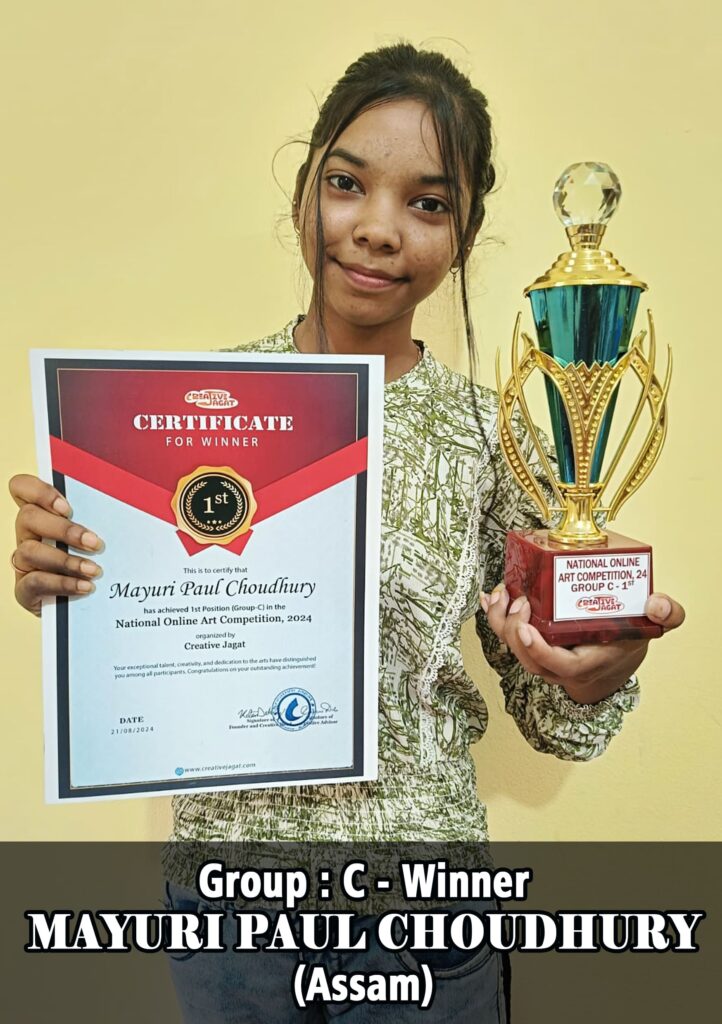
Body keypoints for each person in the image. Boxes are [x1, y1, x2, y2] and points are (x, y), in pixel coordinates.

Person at [9, 43, 684, 1022]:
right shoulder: (179, 413)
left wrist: (596, 669)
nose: (376, 228)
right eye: (345, 183)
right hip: (228, 917)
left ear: (464, 234)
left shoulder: (492, 435)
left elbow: (554, 714)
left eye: (427, 202)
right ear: (303, 191)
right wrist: (69, 579)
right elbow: (140, 640)